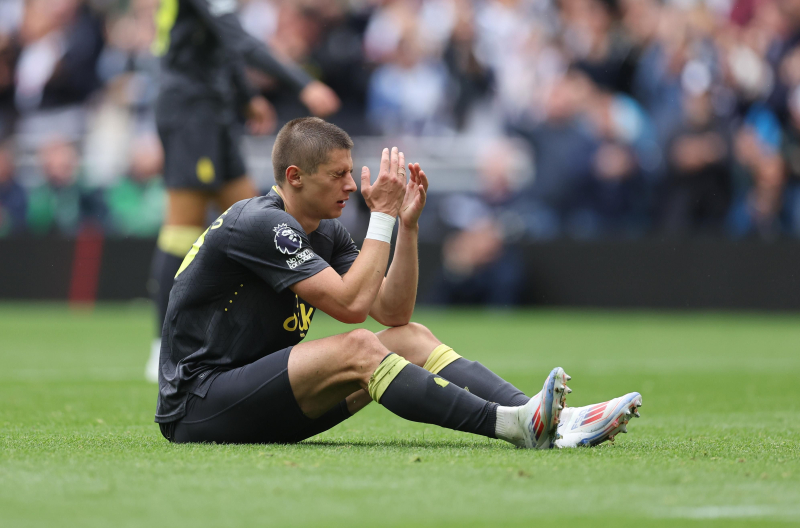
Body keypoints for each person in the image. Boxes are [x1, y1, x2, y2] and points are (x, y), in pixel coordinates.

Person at [155, 117, 642, 449]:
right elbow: (350, 307)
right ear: (295, 176)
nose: (352, 185)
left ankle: (549, 417)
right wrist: (381, 217)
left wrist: (404, 227)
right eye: (338, 174)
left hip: (261, 392)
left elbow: (393, 313)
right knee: (358, 347)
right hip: (199, 403)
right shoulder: (260, 223)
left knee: (408, 338)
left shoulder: (324, 231)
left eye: (352, 171)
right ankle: (511, 426)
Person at [145, 0, 341, 381]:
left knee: (254, 217)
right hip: (189, 111)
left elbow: (223, 42)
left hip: (215, 110)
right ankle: (162, 346)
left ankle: (243, 338)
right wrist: (304, 83)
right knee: (182, 224)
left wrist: (246, 95)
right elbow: (240, 40)